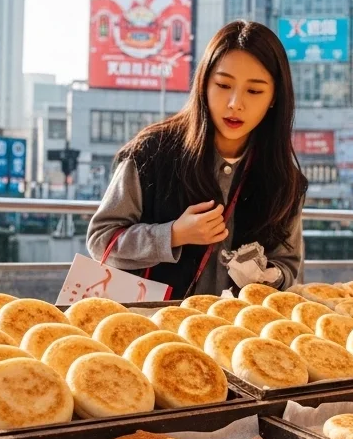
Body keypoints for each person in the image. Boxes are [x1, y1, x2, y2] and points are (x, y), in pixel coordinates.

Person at [87, 20, 307, 298]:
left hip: (238, 334)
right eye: (223, 85)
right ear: (204, 84)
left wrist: (268, 276)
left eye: (254, 91)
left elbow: (289, 267)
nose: (235, 103)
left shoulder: (284, 180)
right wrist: (173, 235)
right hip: (151, 329)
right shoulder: (152, 153)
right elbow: (101, 241)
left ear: (275, 97)